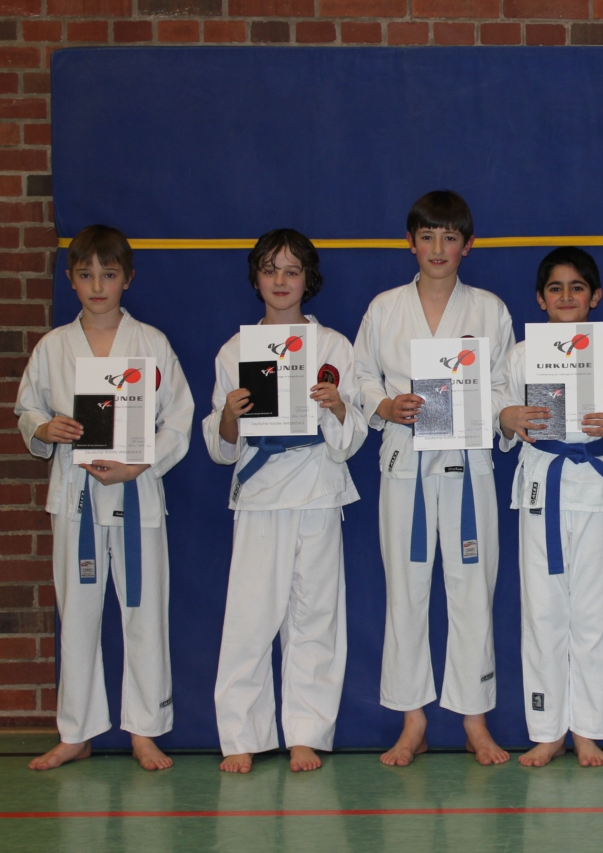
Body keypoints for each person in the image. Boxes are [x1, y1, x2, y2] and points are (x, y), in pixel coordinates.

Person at [14, 224, 194, 771]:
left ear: (127, 279)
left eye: (108, 274)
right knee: (77, 614)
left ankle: (144, 730)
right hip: (76, 500)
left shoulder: (151, 344)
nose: (98, 286)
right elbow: (27, 409)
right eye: (86, 275)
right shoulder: (53, 347)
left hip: (136, 492)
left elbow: (179, 420)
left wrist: (139, 464)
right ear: (70, 280)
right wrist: (45, 429)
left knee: (145, 612)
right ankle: (77, 731)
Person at [353, 190, 515, 766]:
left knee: (474, 591)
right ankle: (413, 719)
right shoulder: (384, 308)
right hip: (406, 467)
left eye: (450, 237)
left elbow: (504, 384)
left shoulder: (489, 309)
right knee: (406, 592)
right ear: (410, 242)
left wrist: (496, 413)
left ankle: (474, 719)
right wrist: (385, 404)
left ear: (467, 246)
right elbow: (359, 376)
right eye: (427, 236)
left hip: (469, 466)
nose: (438, 247)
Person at [204, 229, 367, 774]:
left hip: (318, 487)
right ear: (256, 278)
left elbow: (351, 436)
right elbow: (221, 445)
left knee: (315, 616)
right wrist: (230, 415)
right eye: (270, 269)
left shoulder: (334, 347)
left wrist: (337, 406)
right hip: (259, 493)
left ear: (307, 280)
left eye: (292, 271)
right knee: (250, 617)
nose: (280, 280)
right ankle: (241, 735)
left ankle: (306, 733)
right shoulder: (235, 351)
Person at [496, 247, 603, 768]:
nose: (565, 296)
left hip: (597, 489)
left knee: (596, 614)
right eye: (554, 288)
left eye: (577, 287)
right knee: (543, 612)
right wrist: (509, 416)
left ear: (594, 296)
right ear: (540, 299)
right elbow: (500, 413)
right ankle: (548, 729)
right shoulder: (521, 354)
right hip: (542, 487)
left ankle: (589, 730)